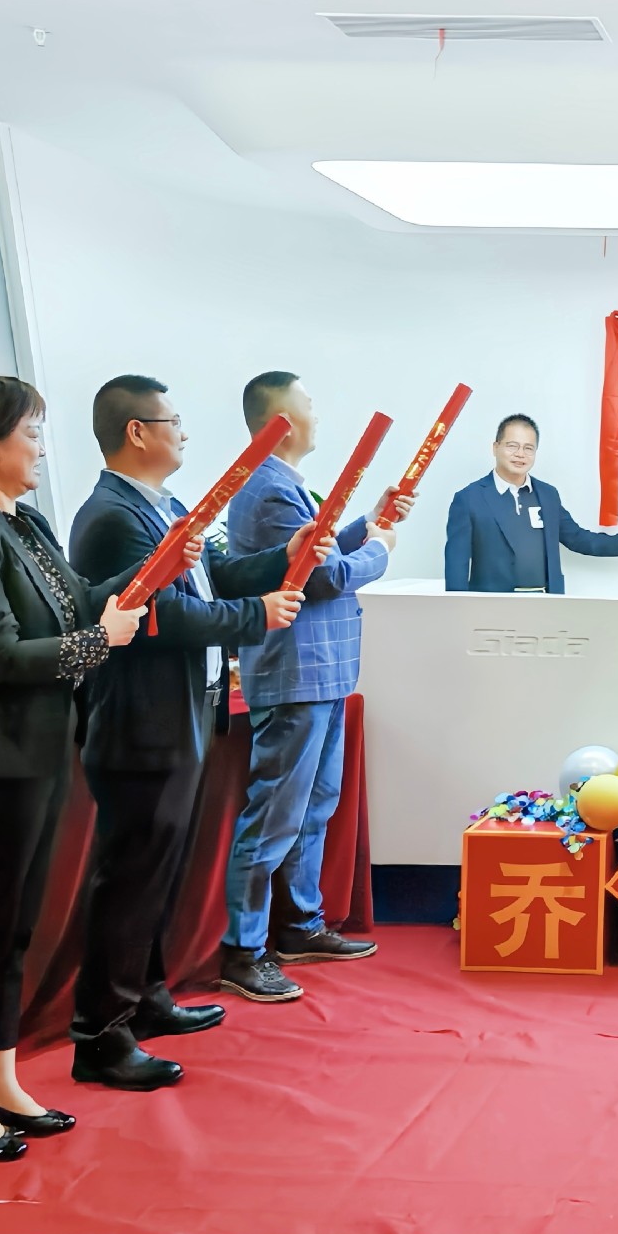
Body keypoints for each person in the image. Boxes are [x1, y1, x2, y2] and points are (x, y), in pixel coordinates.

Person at [0, 374, 142, 1161]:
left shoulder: (24, 521)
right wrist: (100, 642)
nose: (41, 448)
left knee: (14, 931)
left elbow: (79, 601)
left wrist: (153, 571)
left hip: (41, 751)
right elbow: (0, 654)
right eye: (31, 434)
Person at [64, 376, 308, 1090]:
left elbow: (214, 577)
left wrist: (286, 556)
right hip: (140, 723)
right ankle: (100, 1034)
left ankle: (147, 998)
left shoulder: (166, 506)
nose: (184, 433)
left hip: (185, 715)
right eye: (172, 421)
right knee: (129, 879)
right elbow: (161, 615)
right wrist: (258, 616)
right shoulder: (110, 517)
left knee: (159, 874)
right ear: (137, 431)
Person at [219, 372, 411, 1004]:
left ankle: (301, 926)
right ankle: (244, 950)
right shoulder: (270, 488)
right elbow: (322, 578)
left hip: (321, 671)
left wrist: (369, 522)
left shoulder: (281, 483)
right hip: (296, 672)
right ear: (280, 421)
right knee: (276, 815)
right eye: (307, 404)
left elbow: (320, 550)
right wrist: (380, 549)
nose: (317, 414)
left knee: (313, 807)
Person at [444, 413, 618, 595]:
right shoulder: (469, 499)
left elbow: (579, 539)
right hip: (492, 607)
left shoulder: (548, 495)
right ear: (495, 447)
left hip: (546, 603)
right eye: (512, 446)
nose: (520, 454)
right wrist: (457, 611)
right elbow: (456, 564)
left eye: (528, 448)